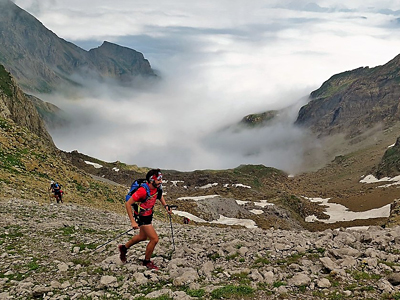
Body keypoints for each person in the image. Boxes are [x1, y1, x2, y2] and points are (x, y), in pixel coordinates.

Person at [118, 169, 172, 270]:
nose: (161, 181)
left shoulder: (157, 187)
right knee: (154, 239)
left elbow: (159, 196)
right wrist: (133, 222)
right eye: (158, 179)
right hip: (142, 216)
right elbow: (128, 204)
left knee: (142, 237)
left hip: (149, 214)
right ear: (151, 181)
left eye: (161, 179)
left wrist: (166, 206)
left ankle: (123, 248)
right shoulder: (142, 191)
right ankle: (146, 262)